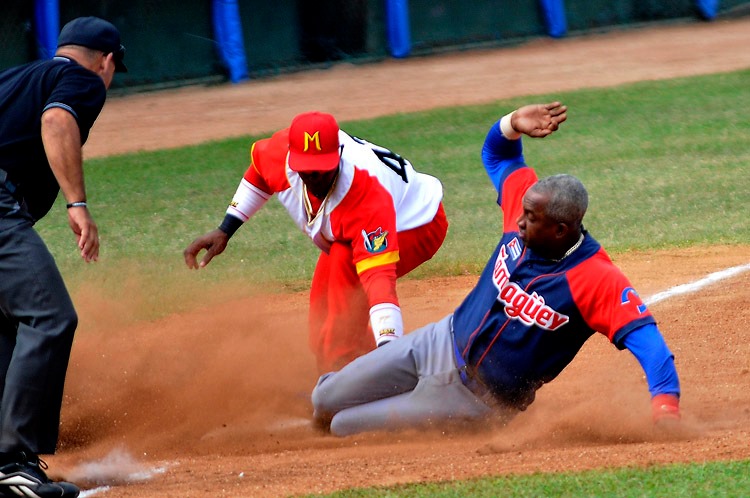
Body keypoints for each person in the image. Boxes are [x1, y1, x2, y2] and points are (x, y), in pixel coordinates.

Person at [311, 102, 681, 436]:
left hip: (474, 401)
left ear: (560, 230)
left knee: (344, 425)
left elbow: (652, 347)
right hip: (436, 343)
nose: (519, 220)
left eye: (530, 218)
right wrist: (511, 123)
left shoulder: (595, 279)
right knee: (325, 398)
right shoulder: (526, 207)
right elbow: (498, 154)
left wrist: (666, 410)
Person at [184, 111, 448, 373]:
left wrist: (389, 344)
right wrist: (225, 229)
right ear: (291, 157)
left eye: (322, 169)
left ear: (339, 154)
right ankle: (398, 365)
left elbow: (378, 279)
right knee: (322, 324)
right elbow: (260, 175)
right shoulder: (281, 155)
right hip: (355, 229)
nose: (313, 177)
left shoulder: (366, 195)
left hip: (416, 224)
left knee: (342, 314)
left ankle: (357, 372)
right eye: (306, 170)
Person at [0, 16, 127, 498]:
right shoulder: (81, 79)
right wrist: (77, 204)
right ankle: (12, 464)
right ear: (106, 61)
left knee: (6, 323)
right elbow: (56, 120)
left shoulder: (16, 78)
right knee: (50, 317)